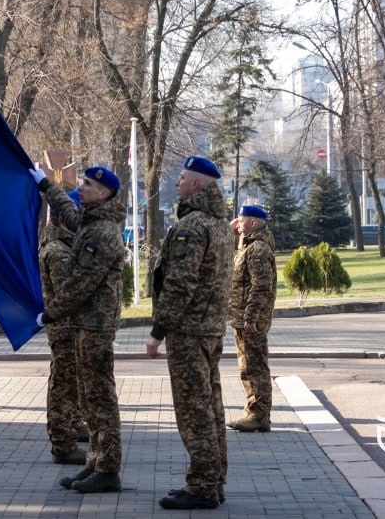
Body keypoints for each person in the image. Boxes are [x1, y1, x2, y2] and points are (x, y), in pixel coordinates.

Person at [30, 164, 127, 495]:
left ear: (104, 193)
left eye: (87, 184)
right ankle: (94, 465)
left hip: (95, 325)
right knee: (89, 399)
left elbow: (80, 284)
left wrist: (49, 314)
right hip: (85, 324)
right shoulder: (91, 220)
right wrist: (46, 185)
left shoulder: (102, 231)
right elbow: (70, 215)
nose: (81, 188)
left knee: (101, 400)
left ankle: (108, 469)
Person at [146, 155, 232, 511]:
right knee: (211, 408)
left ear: (196, 185)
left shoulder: (192, 226)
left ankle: (201, 487)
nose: (177, 183)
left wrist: (158, 331)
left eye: (181, 178)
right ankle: (214, 479)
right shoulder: (220, 225)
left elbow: (180, 283)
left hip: (188, 329)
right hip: (210, 328)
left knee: (194, 411)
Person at [39, 189, 88, 465]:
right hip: (65, 329)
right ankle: (62, 441)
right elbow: (67, 294)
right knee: (63, 386)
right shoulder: (58, 251)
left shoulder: (69, 244)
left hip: (73, 328)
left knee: (74, 383)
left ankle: (73, 424)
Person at [228, 204, 277, 433]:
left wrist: (251, 318)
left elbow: (261, 287)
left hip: (250, 321)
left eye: (241, 219)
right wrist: (234, 234)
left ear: (254, 223)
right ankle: (255, 412)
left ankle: (258, 415)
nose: (237, 222)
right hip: (243, 318)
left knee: (254, 367)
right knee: (248, 367)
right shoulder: (248, 245)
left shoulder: (257, 249)